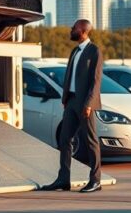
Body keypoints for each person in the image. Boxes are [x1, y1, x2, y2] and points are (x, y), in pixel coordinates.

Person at [40, 19, 104, 193]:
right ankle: (63, 179)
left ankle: (95, 180)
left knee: (90, 141)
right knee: (64, 139)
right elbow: (70, 75)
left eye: (74, 27)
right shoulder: (75, 51)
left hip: (85, 103)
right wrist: (65, 98)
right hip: (71, 101)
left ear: (83, 31)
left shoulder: (94, 51)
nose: (71, 29)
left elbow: (96, 81)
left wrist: (89, 103)